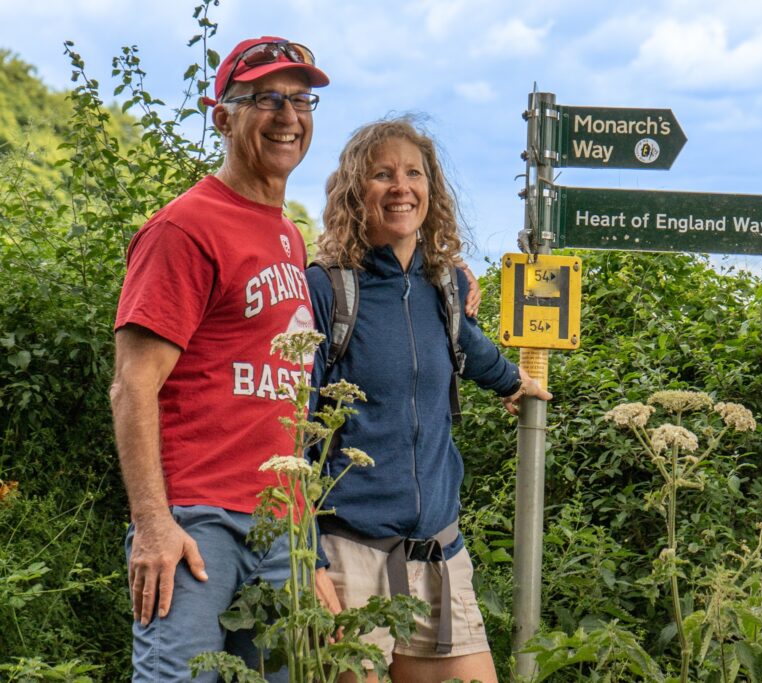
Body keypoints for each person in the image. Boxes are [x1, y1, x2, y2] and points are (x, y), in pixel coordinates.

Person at [109, 36, 330, 682]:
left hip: (279, 531)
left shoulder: (290, 236)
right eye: (266, 98)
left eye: (301, 99)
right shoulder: (184, 228)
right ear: (223, 116)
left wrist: (305, 545)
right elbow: (132, 385)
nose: (289, 116)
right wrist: (152, 524)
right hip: (196, 528)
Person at [308, 116, 552, 683]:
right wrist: (310, 562)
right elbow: (290, 432)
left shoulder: (444, 285)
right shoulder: (327, 289)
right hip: (350, 558)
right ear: (353, 192)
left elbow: (464, 343)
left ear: (431, 189)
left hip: (439, 554)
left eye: (414, 173)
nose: (401, 187)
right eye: (382, 175)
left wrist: (513, 382)